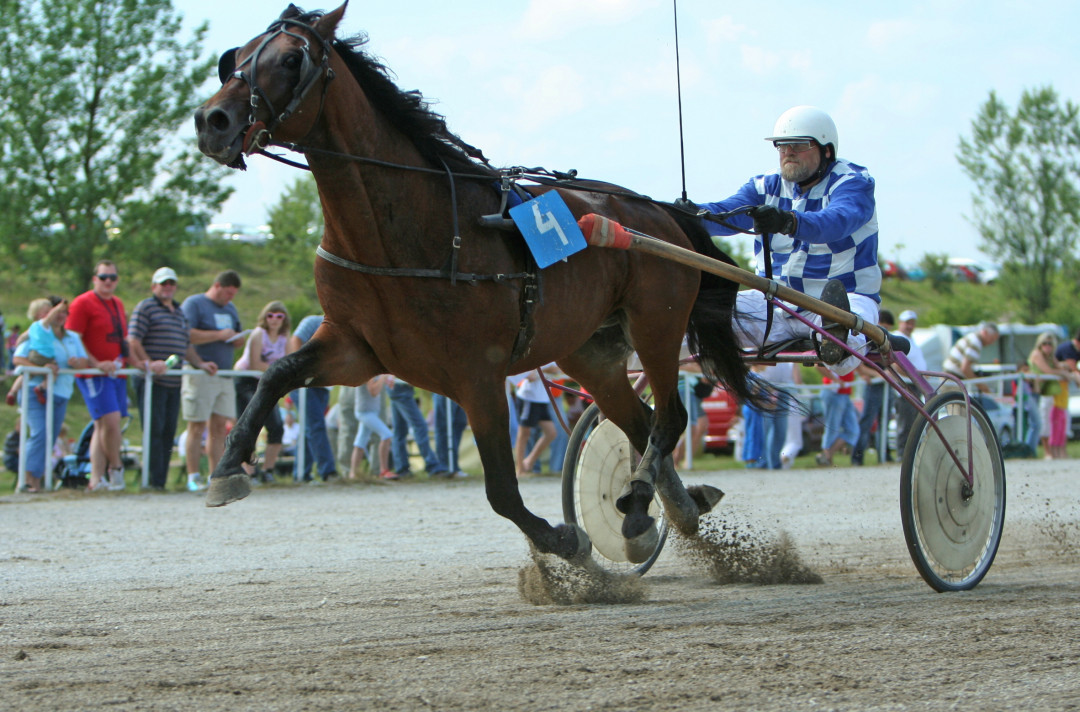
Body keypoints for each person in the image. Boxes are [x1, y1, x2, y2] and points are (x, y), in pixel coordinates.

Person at [689, 106, 880, 376]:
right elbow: (727, 213)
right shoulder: (764, 186)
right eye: (781, 145)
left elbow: (836, 220)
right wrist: (685, 216)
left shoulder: (853, 182)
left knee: (843, 351)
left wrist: (788, 222)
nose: (788, 152)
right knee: (681, 322)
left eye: (799, 145)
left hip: (846, 298)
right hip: (773, 303)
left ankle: (835, 334)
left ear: (827, 150)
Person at [128, 267, 217, 491]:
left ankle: (159, 480)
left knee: (168, 431)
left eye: (171, 283)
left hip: (173, 380)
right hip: (152, 381)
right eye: (163, 283)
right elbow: (133, 340)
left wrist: (200, 363)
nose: (168, 287)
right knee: (154, 429)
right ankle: (150, 480)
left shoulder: (179, 312)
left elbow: (185, 346)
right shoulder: (145, 307)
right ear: (154, 286)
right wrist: (149, 363)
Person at [11, 297, 95, 492]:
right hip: (36, 390)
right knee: (40, 433)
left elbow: (84, 363)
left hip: (61, 392)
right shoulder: (35, 333)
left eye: (64, 313)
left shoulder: (72, 337)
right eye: (56, 312)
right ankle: (26, 479)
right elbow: (18, 359)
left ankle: (36, 480)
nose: (60, 316)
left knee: (50, 437)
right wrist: (42, 370)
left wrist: (77, 363)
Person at [66, 260, 127, 491]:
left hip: (116, 372)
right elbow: (75, 337)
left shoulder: (117, 304)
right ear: (95, 279)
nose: (108, 281)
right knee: (109, 422)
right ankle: (116, 468)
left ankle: (97, 477)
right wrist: (96, 363)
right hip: (94, 374)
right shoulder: (83, 303)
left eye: (112, 277)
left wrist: (121, 359)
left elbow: (121, 336)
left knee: (104, 425)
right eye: (103, 277)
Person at [181, 270, 244, 492]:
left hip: (224, 374)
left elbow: (234, 333)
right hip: (201, 374)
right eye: (227, 293)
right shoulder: (195, 304)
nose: (229, 299)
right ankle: (192, 475)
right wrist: (218, 335)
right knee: (196, 425)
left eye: (233, 295)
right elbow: (186, 334)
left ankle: (215, 475)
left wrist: (237, 339)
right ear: (217, 286)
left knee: (219, 426)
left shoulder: (230, 308)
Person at [234, 301, 291, 483]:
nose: (274, 320)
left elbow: (290, 361)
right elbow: (254, 363)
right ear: (265, 317)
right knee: (251, 425)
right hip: (248, 381)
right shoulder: (259, 334)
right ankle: (249, 471)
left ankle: (268, 470)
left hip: (268, 382)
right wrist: (277, 370)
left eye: (279, 316)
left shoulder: (284, 338)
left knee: (276, 426)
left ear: (284, 320)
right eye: (270, 315)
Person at [289, 314, 338, 482]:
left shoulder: (343, 329)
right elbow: (295, 340)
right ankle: (328, 471)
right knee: (316, 425)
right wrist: (302, 367)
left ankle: (301, 473)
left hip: (322, 385)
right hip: (303, 384)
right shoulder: (313, 322)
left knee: (309, 428)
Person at [852, 310, 895, 465]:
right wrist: (880, 374)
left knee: (885, 421)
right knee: (867, 422)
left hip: (885, 385)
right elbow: (860, 366)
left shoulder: (886, 343)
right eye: (883, 327)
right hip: (873, 386)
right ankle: (857, 457)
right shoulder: (867, 340)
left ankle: (884, 454)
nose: (885, 331)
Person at [387, 378, 447, 478]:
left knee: (400, 431)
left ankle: (402, 468)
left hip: (397, 387)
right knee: (420, 426)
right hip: (400, 387)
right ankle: (432, 466)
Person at [513, 365, 559, 477]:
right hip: (529, 397)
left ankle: (529, 461)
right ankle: (519, 469)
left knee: (551, 433)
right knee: (524, 433)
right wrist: (545, 370)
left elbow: (557, 371)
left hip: (543, 398)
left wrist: (549, 371)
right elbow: (529, 375)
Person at [350, 375, 393, 479]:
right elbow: (373, 391)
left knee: (360, 442)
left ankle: (353, 474)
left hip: (372, 411)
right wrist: (383, 378)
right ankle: (384, 470)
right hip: (365, 411)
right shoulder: (368, 374)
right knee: (386, 435)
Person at [815, 367, 860, 467]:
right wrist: (835, 380)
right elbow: (818, 365)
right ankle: (826, 457)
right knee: (832, 428)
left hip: (844, 393)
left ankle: (826, 456)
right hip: (833, 392)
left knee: (852, 430)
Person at [942, 322, 999, 394]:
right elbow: (965, 368)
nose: (991, 343)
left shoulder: (972, 338)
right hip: (953, 379)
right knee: (959, 405)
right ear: (985, 332)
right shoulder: (975, 343)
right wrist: (981, 385)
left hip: (949, 378)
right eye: (992, 339)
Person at [432, 393, 468, 478]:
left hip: (459, 389)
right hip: (444, 390)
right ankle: (445, 466)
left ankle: (453, 465)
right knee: (444, 426)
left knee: (460, 422)